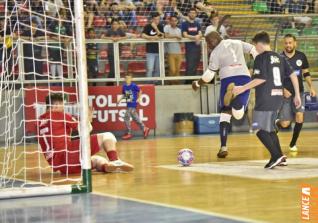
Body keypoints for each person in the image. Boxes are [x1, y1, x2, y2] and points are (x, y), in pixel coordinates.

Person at [232, 31, 301, 169]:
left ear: (259, 44)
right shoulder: (280, 57)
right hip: (277, 98)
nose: (255, 48)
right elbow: (293, 75)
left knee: (257, 128)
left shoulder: (261, 58)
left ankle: (276, 156)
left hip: (265, 97)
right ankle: (280, 157)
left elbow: (260, 79)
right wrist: (297, 94)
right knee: (269, 129)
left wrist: (242, 88)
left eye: (255, 45)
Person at [192, 31, 258, 158]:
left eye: (207, 43)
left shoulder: (215, 53)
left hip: (227, 79)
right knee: (238, 115)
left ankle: (223, 146)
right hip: (244, 77)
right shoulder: (236, 42)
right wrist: (259, 64)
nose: (208, 45)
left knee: (225, 114)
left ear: (212, 41)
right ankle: (235, 98)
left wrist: (197, 84)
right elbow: (253, 49)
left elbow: (209, 75)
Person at [38, 93, 134, 174]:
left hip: (62, 167)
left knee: (96, 160)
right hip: (67, 155)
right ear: (56, 105)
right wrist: (88, 119)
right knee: (107, 136)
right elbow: (84, 130)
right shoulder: (60, 115)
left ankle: (105, 166)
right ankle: (115, 161)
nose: (63, 107)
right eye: (62, 104)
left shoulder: (39, 120)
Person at [276, 34, 316, 152]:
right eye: (286, 43)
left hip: (299, 92)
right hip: (285, 94)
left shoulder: (301, 56)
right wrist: (283, 89)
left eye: (290, 42)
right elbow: (275, 77)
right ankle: (276, 123)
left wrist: (311, 87)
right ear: (283, 44)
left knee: (299, 117)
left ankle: (292, 144)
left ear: (295, 43)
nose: (288, 45)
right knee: (285, 124)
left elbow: (306, 73)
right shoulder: (279, 58)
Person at [118, 74, 150, 140]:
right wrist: (120, 99)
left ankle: (129, 133)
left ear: (131, 79)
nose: (127, 79)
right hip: (128, 104)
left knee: (126, 117)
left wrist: (139, 98)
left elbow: (140, 91)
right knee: (136, 118)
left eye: (129, 78)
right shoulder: (124, 87)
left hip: (133, 103)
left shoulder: (134, 86)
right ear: (124, 79)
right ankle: (145, 128)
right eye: (126, 78)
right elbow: (124, 94)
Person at [141, 12, 164, 78]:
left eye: (158, 19)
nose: (157, 21)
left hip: (159, 51)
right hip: (150, 51)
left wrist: (156, 29)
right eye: (155, 19)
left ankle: (156, 83)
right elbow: (143, 35)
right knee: (150, 69)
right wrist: (152, 38)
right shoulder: (147, 26)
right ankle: (149, 83)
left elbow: (162, 36)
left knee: (158, 69)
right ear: (152, 19)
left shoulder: (160, 26)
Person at [182, 8, 202, 79]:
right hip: (190, 49)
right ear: (188, 14)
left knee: (195, 66)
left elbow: (200, 33)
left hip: (197, 48)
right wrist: (195, 37)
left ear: (196, 14)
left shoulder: (197, 24)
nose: (192, 14)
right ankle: (187, 82)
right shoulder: (184, 24)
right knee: (190, 66)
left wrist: (198, 36)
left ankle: (193, 81)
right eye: (191, 12)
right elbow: (185, 35)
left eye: (194, 13)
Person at [164, 15, 182, 84]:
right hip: (170, 52)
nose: (174, 22)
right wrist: (175, 36)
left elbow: (181, 41)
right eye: (172, 20)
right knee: (172, 69)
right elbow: (166, 36)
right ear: (170, 21)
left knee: (177, 70)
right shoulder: (167, 27)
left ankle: (176, 83)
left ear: (177, 22)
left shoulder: (179, 30)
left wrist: (179, 38)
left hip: (179, 52)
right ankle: (170, 83)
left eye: (175, 21)